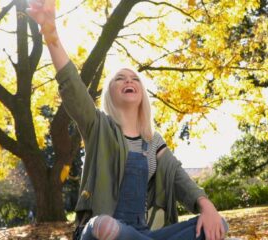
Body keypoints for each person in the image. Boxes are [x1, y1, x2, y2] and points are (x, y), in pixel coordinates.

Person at [26, 1, 228, 239]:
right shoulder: (98, 127)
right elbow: (72, 86)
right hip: (100, 232)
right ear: (109, 93)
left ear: (142, 93)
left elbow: (178, 179)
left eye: (134, 79)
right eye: (120, 79)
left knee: (217, 225)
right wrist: (51, 34)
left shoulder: (153, 142)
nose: (129, 81)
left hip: (139, 233)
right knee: (104, 226)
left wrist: (207, 207)